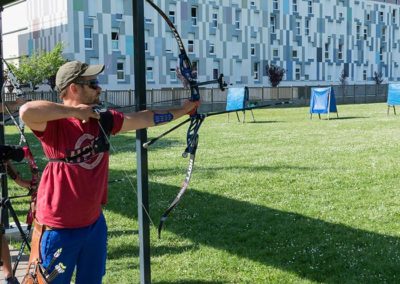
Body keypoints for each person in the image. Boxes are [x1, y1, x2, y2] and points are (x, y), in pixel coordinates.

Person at [19, 60, 199, 283]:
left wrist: (184, 110)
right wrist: (73, 112)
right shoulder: (55, 125)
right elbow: (26, 111)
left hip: (94, 224)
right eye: (92, 83)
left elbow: (145, 118)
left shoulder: (103, 119)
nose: (99, 88)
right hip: (59, 227)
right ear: (74, 88)